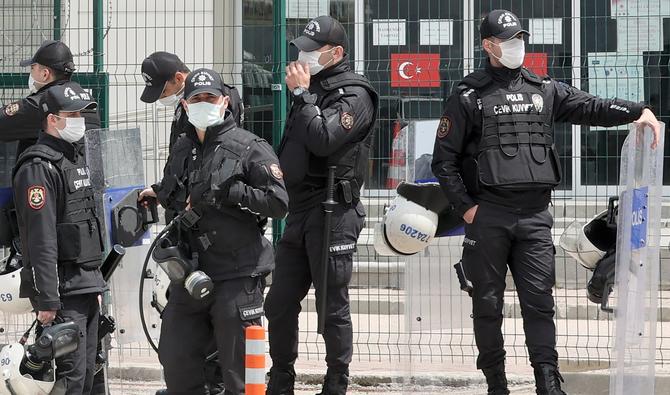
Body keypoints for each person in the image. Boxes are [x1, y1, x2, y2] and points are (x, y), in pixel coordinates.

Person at [431, 9, 661, 395]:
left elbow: (591, 106)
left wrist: (638, 110)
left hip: (535, 216)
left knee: (539, 303)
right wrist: (467, 208)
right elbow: (444, 161)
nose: (516, 46)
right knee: (486, 305)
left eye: (519, 38)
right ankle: (496, 383)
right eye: (507, 40)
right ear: (488, 46)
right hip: (489, 215)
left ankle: (547, 381)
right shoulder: (469, 96)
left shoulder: (544, 89)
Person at [139, 68, 289, 395]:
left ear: (224, 102)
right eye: (196, 98)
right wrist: (156, 194)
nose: (203, 103)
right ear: (185, 104)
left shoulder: (250, 147)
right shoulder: (182, 147)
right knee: (175, 356)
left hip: (237, 273)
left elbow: (278, 204)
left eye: (210, 97)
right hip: (191, 273)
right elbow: (173, 191)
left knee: (237, 373)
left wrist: (233, 193)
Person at [264, 15, 379, 395]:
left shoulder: (354, 94)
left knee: (332, 304)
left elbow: (325, 139)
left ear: (337, 53)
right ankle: (281, 379)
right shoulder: (313, 89)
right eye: (302, 49)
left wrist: (301, 95)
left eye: (313, 51)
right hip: (299, 211)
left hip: (334, 211)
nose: (303, 56)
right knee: (279, 301)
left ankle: (336, 382)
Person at [139, 51, 245, 395]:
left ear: (178, 78)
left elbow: (215, 164)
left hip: (209, 222)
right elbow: (182, 163)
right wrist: (162, 190)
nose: (166, 96)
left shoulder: (216, 104)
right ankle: (191, 382)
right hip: (186, 215)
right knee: (185, 305)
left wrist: (192, 196)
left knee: (212, 307)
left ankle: (210, 382)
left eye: (164, 88)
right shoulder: (187, 106)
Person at [13, 82, 106, 394]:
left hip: (86, 285)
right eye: (74, 114)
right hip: (64, 291)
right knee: (72, 378)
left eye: (83, 112)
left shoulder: (75, 157)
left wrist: (95, 284)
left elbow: (86, 223)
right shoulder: (38, 167)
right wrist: (48, 300)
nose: (81, 119)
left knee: (88, 375)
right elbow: (40, 239)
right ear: (52, 119)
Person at [0, 40, 100, 154]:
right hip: (85, 170)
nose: (30, 73)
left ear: (45, 74)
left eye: (32, 68)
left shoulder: (43, 103)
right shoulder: (87, 101)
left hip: (45, 171)